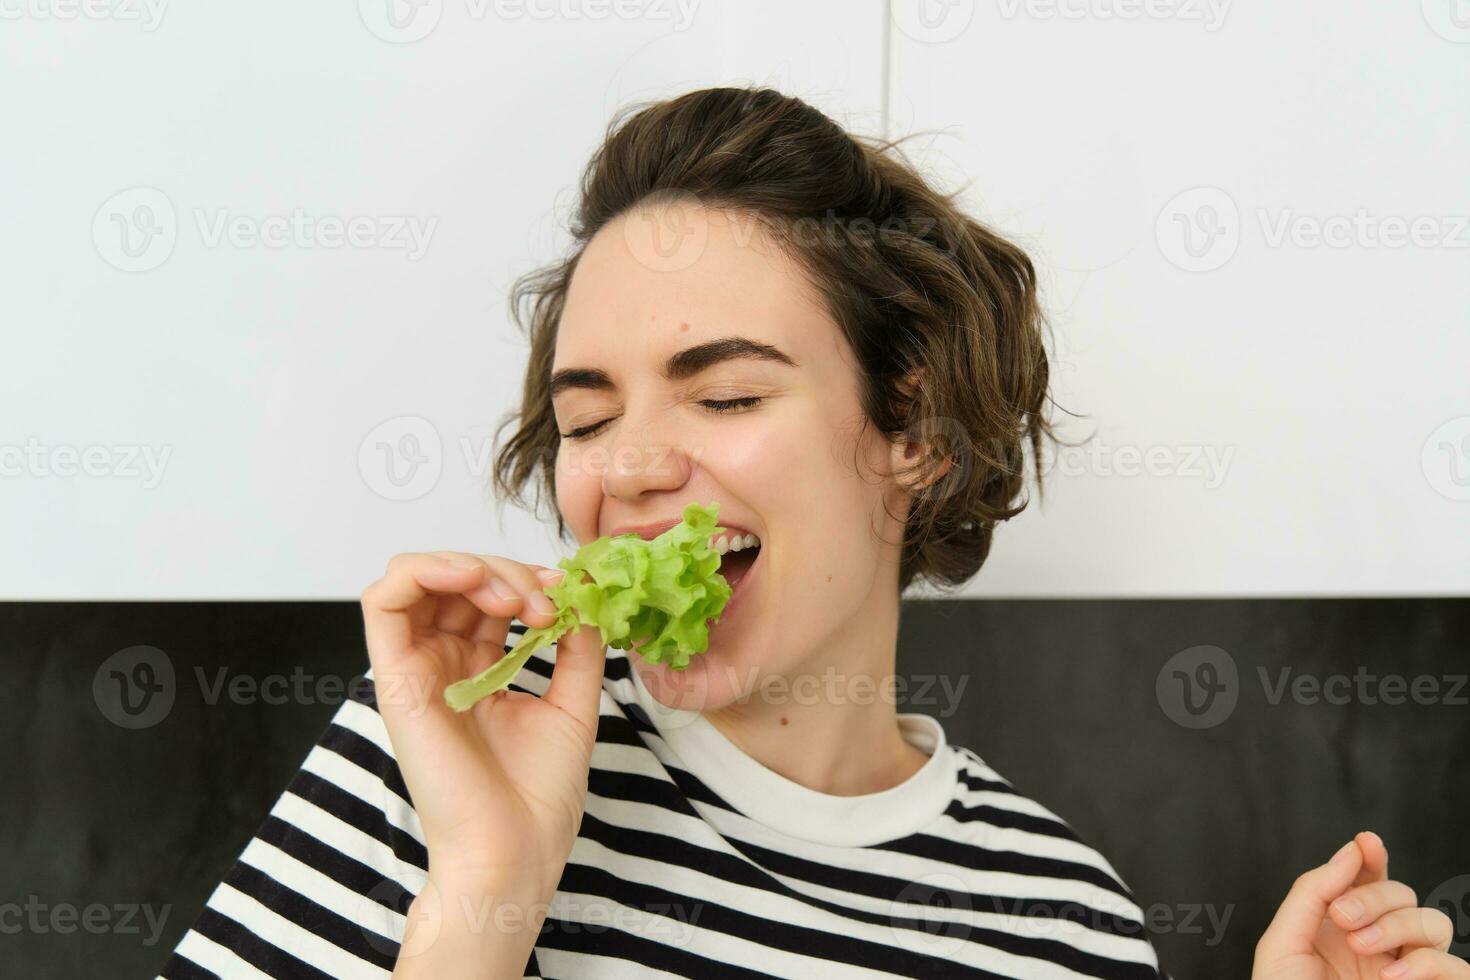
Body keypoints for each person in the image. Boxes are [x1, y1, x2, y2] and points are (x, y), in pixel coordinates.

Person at [158, 86, 1461, 979]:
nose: (635, 465)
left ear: (913, 434)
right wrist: (485, 892)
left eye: (723, 395)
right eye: (587, 415)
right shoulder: (440, 754)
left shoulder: (1059, 923)